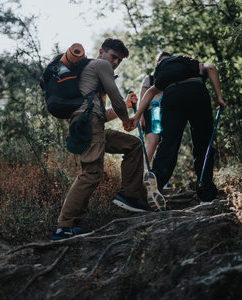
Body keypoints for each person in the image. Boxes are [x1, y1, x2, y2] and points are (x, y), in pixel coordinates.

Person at [52, 38, 164, 240]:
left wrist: (128, 111)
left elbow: (102, 113)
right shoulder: (100, 64)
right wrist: (128, 120)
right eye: (113, 57)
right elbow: (116, 98)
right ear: (101, 52)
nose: (115, 63)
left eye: (119, 60)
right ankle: (64, 226)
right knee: (91, 173)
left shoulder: (92, 73)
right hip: (88, 125)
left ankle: (130, 196)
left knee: (133, 145)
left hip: (93, 124)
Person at [130, 55, 227, 202]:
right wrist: (219, 97)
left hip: (171, 96)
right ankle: (205, 189)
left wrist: (137, 116)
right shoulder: (194, 66)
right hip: (197, 92)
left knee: (169, 142)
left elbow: (150, 91)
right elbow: (212, 68)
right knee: (202, 143)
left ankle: (156, 183)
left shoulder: (164, 74)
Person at [138, 52, 172, 168]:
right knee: (152, 141)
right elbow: (142, 98)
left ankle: (159, 176)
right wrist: (140, 116)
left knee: (165, 145)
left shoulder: (173, 81)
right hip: (153, 112)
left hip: (168, 113)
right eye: (164, 61)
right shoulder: (150, 79)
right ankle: (143, 171)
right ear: (157, 63)